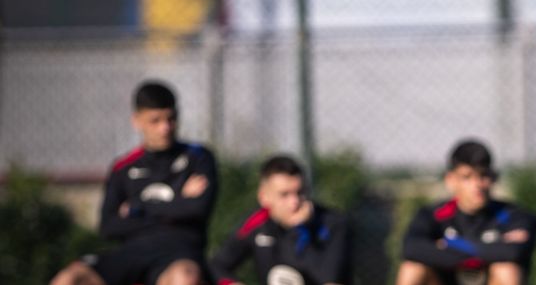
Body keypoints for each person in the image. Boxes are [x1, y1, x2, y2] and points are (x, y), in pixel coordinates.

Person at [51, 81, 218, 285]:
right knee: (70, 278)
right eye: (155, 121)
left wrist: (137, 208)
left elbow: (197, 210)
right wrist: (177, 203)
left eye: (170, 119)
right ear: (137, 121)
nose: (165, 128)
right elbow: (108, 227)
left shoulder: (198, 157)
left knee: (185, 278)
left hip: (178, 251)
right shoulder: (123, 168)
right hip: (132, 253)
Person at [396, 140, 536, 285]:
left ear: (494, 177)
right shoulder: (432, 215)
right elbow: (411, 248)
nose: (477, 185)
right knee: (412, 268)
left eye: (483, 176)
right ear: (450, 180)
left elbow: (513, 252)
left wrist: (451, 244)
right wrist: (490, 248)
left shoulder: (515, 216)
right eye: (467, 177)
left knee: (507, 269)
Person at [209, 155, 351, 285]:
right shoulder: (257, 223)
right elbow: (217, 266)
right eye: (284, 195)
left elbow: (329, 280)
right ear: (264, 197)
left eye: (300, 192)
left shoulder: (333, 223)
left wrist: (298, 230)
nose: (294, 202)